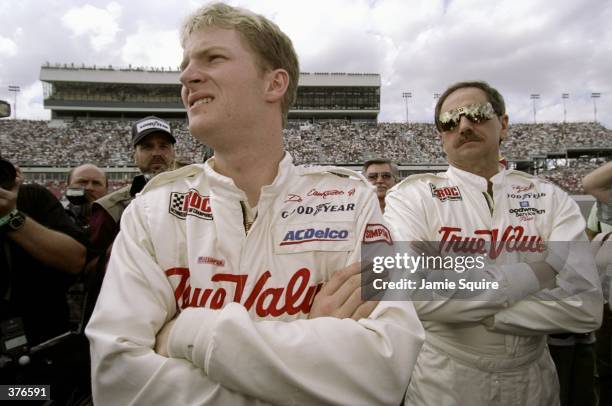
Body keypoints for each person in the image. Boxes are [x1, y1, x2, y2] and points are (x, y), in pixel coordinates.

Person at [86, 3, 424, 405]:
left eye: (212, 58)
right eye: (186, 63)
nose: (187, 76)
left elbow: (384, 368)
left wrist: (191, 333)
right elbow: (119, 382)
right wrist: (309, 363)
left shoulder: (352, 201)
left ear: (274, 84)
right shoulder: (153, 209)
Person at [384, 80, 602, 405]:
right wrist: (533, 276)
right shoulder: (411, 196)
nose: (464, 125)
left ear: (503, 124)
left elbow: (584, 308)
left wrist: (487, 316)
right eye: (449, 121)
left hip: (535, 381)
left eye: (476, 113)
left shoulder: (551, 197)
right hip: (445, 381)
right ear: (441, 136)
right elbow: (404, 292)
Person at [0, 156, 90, 402]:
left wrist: (10, 216)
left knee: (29, 397)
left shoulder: (32, 199)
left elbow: (74, 259)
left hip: (38, 350)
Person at [88, 115, 176, 253]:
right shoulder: (111, 208)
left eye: (163, 146)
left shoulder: (196, 198)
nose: (156, 153)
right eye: (147, 147)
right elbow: (89, 267)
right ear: (133, 155)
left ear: (173, 153)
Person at [65, 163, 108, 229]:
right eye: (82, 182)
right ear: (67, 187)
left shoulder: (119, 222)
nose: (89, 188)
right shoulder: (53, 220)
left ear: (106, 190)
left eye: (96, 183)